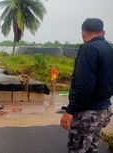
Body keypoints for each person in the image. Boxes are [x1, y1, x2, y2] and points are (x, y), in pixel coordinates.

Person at [60, 18, 113, 153]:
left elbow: (83, 85)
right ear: (103, 32)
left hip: (87, 112)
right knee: (92, 148)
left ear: (83, 33)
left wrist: (70, 111)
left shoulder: (89, 49)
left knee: (77, 149)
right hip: (103, 109)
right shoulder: (108, 48)